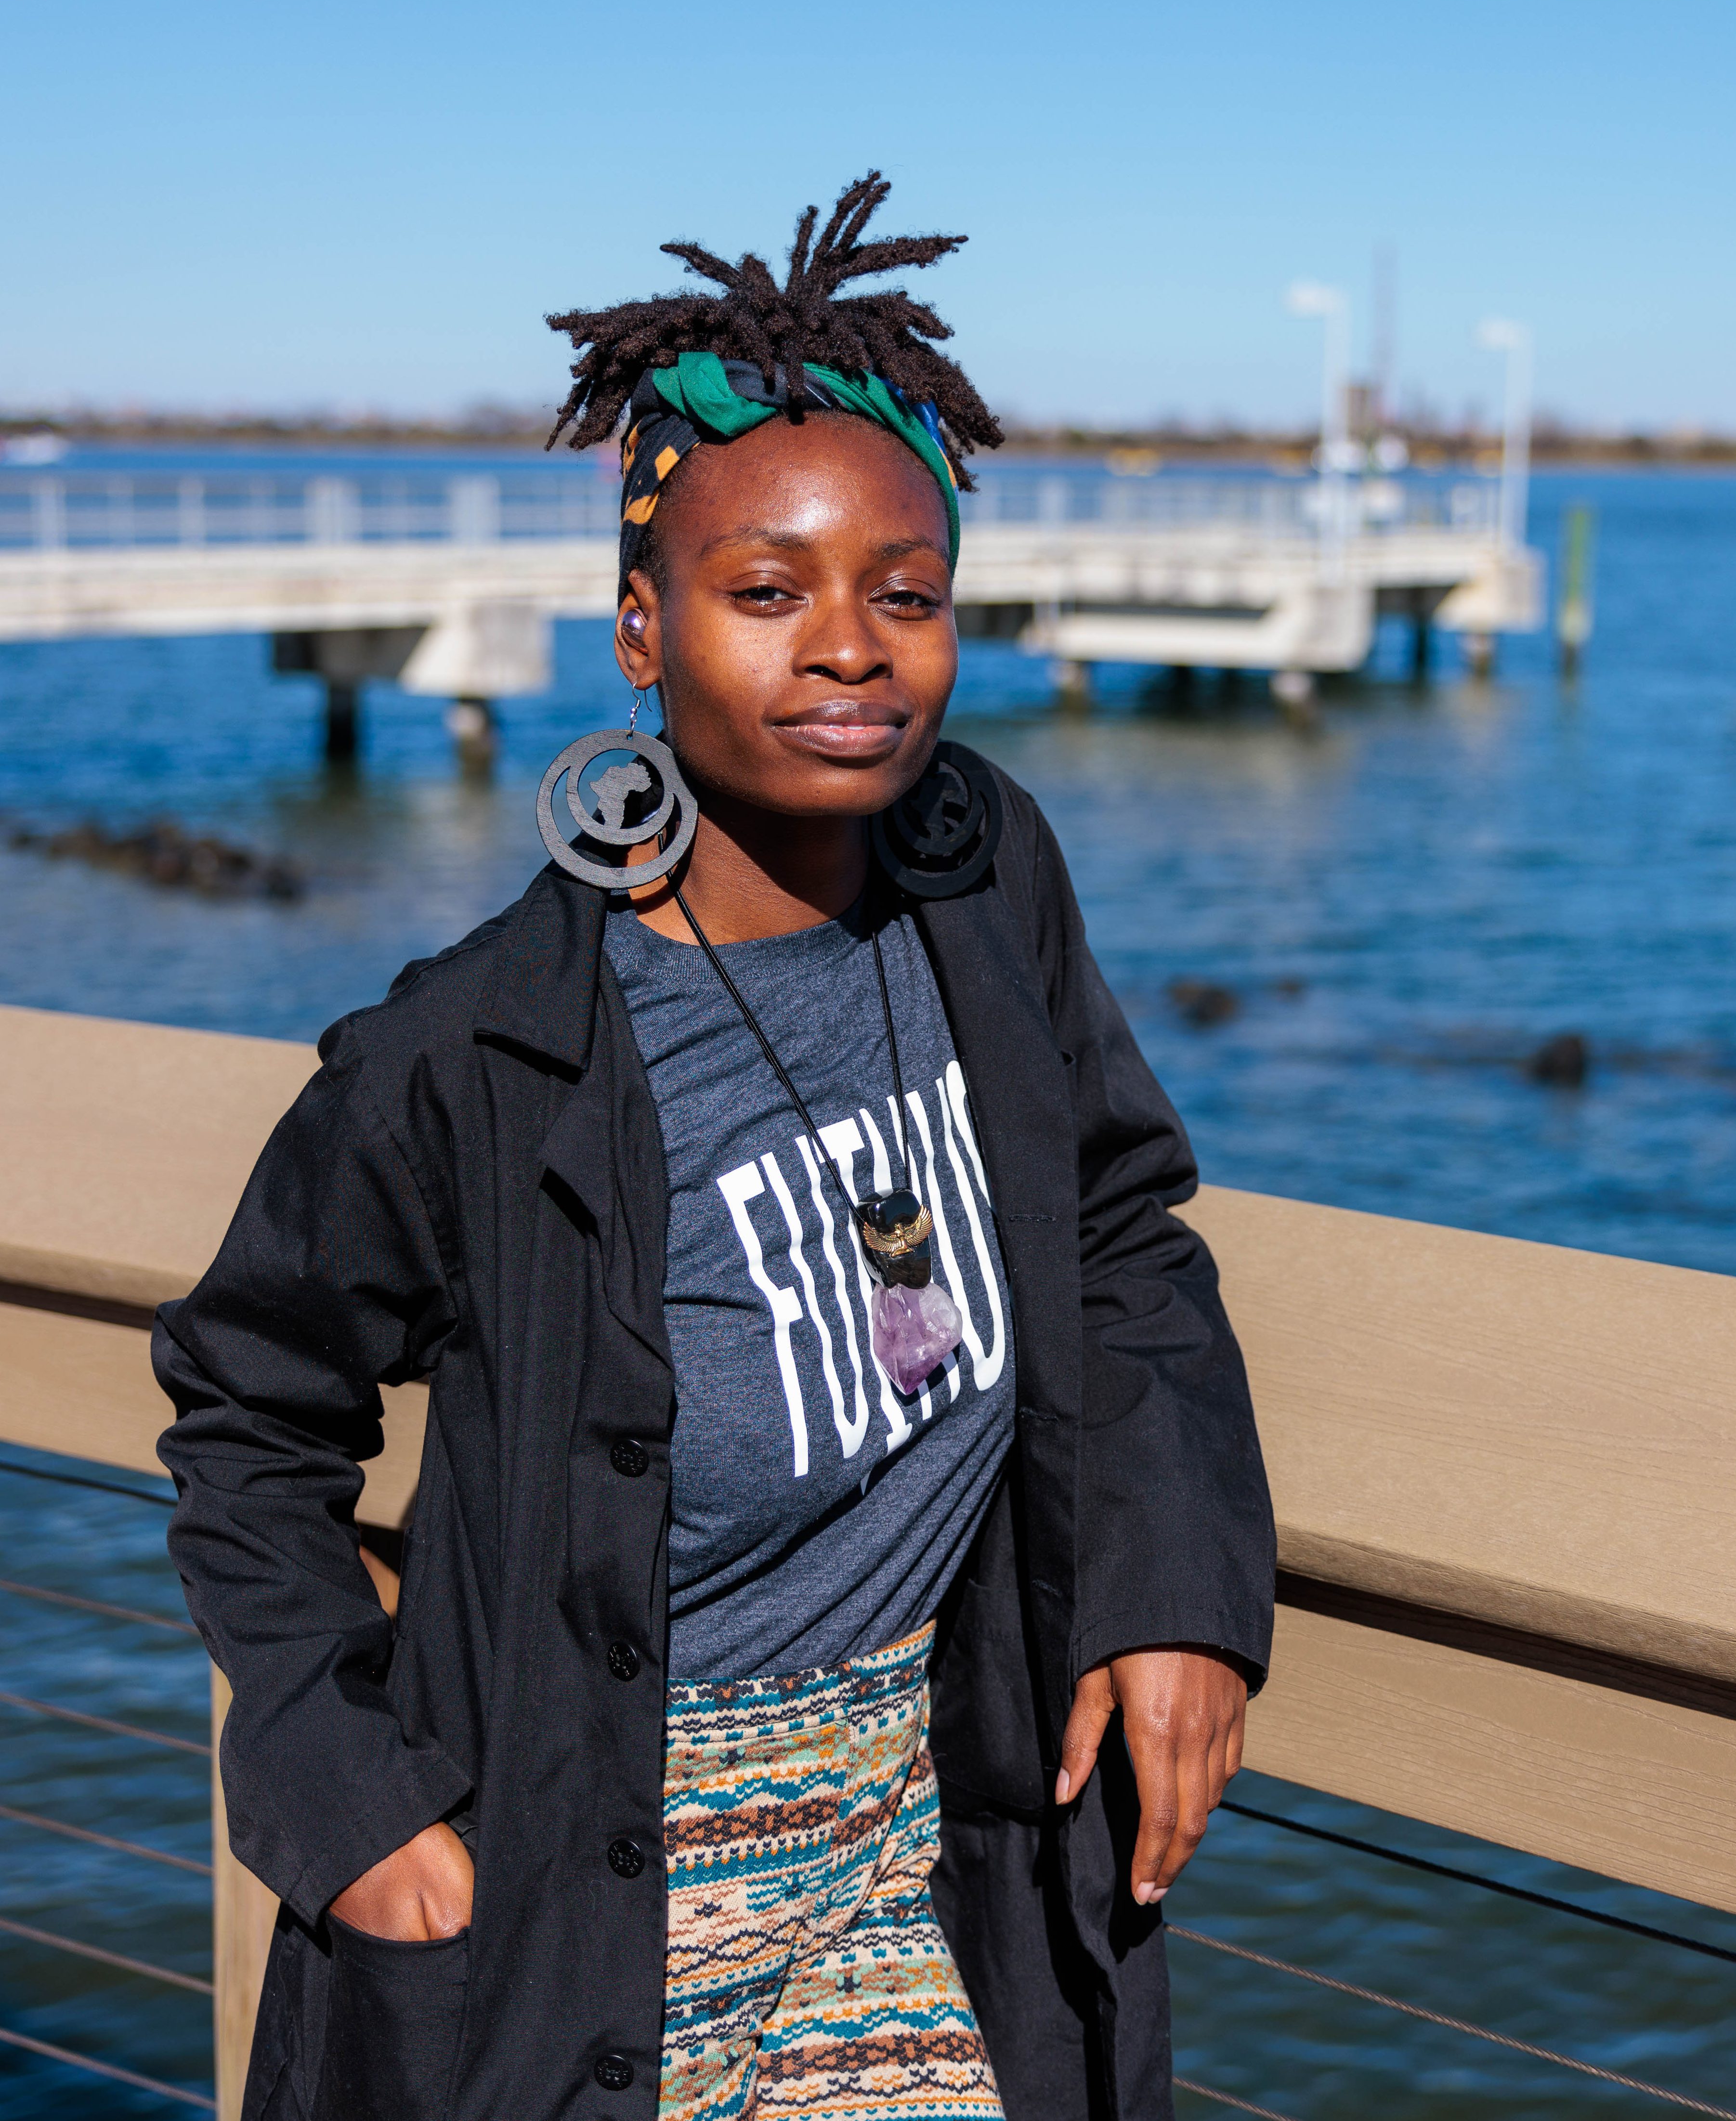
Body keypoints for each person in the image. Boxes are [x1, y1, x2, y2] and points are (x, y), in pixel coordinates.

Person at [155, 171, 1275, 2121]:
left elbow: (1117, 1225)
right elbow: (250, 1414)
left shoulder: (981, 875)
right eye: (767, 594)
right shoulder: (476, 1054)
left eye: (904, 595)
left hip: (922, 1829)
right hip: (588, 1869)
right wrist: (341, 1789)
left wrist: (1170, 1583)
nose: (849, 649)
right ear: (637, 633)